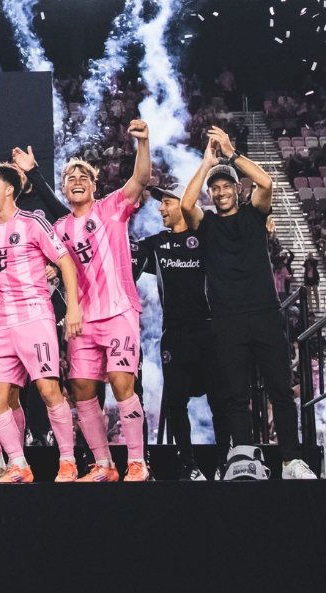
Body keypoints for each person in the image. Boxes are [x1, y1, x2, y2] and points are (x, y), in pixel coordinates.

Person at [180, 126, 317, 479]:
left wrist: (231, 154)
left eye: (226, 185)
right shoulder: (207, 224)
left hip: (265, 314)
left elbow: (267, 183)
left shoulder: (255, 213)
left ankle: (291, 461)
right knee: (235, 395)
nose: (221, 191)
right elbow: (185, 205)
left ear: (238, 189)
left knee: (280, 391)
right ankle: (245, 459)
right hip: (227, 319)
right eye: (215, 187)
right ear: (211, 193)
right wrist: (207, 163)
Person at [53, 119, 151, 482]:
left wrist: (143, 143)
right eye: (70, 178)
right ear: (64, 188)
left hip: (119, 311)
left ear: (94, 186)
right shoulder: (59, 229)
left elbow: (140, 179)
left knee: (122, 383)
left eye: (84, 177)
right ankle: (104, 464)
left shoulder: (111, 207)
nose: (77, 181)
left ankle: (137, 462)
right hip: (82, 319)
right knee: (81, 389)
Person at [0, 166, 82, 483]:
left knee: (48, 389)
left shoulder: (33, 223)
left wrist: (73, 308)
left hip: (34, 317)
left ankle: (68, 460)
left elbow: (65, 262)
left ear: (9, 189)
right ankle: (19, 464)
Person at [135, 185, 224, 480]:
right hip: (174, 333)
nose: (161, 208)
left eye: (167, 202)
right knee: (176, 402)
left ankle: (225, 463)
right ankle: (188, 464)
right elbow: (125, 255)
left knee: (219, 400)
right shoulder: (157, 243)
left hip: (209, 331)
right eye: (160, 204)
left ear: (184, 204)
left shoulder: (205, 238)